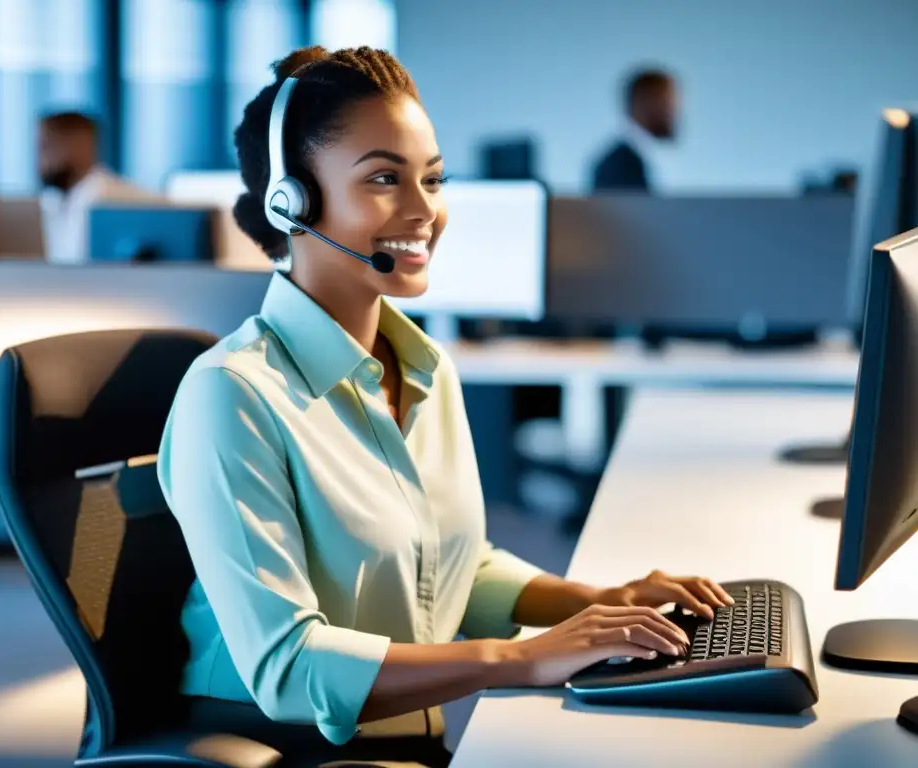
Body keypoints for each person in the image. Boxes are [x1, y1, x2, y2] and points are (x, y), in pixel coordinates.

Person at [157, 46, 731, 767]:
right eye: (384, 179)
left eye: (432, 179)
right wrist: (518, 660)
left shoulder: (426, 369)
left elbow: (444, 561)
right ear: (292, 201)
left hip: (410, 730)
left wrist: (595, 599)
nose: (425, 210)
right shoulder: (234, 394)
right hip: (281, 743)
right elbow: (288, 668)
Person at [37, 111, 155, 264]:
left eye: (45, 148)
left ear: (78, 145)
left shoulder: (112, 197)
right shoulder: (55, 199)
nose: (39, 162)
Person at [590, 68, 678, 193]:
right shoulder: (620, 165)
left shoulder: (636, 160)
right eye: (668, 102)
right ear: (644, 100)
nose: (674, 112)